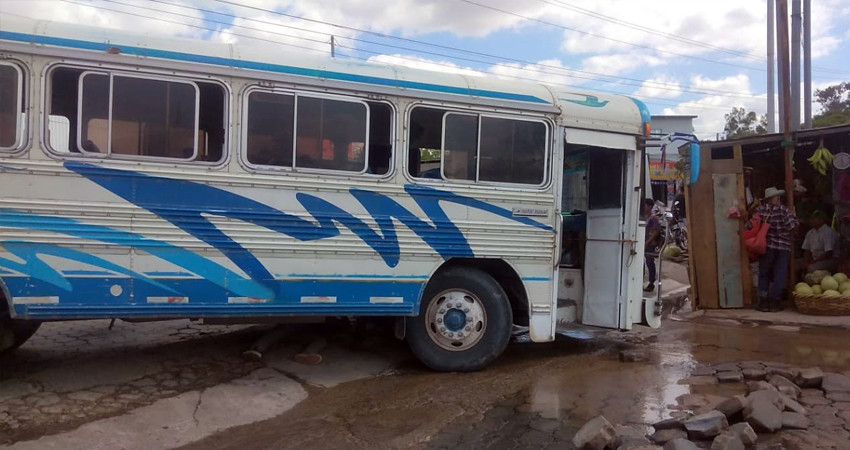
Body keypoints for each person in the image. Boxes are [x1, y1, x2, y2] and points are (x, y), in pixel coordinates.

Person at [754, 187, 799, 312]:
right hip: (783, 247)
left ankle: (763, 302)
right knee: (780, 274)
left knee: (764, 273)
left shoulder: (760, 210)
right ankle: (775, 302)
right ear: (775, 198)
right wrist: (794, 215)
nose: (779, 199)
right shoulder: (784, 210)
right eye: (778, 197)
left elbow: (751, 226)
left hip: (766, 246)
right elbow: (791, 226)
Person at [643, 198, 662, 292]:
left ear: (649, 207)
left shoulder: (653, 218)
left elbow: (656, 232)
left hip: (650, 244)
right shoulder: (643, 217)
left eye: (645, 205)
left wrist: (648, 242)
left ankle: (651, 282)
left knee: (650, 262)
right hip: (643, 242)